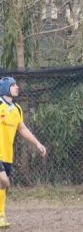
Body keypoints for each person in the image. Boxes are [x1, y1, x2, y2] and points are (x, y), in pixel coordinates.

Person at [0, 77, 47, 228]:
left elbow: (22, 129)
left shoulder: (17, 109)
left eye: (16, 85)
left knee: (3, 186)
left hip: (7, 154)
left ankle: (1, 216)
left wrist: (37, 144)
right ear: (5, 88)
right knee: (4, 181)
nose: (16, 87)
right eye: (13, 85)